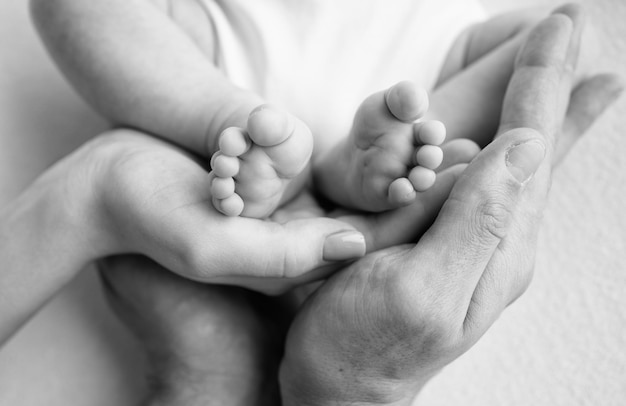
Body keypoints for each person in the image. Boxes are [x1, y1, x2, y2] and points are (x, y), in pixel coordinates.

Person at [1, 4, 621, 406]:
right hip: (216, 66)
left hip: (420, 62)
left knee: (565, 35)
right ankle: (234, 123)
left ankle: (366, 169)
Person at [30, 0, 564, 221]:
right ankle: (229, 121)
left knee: (544, 39)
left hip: (420, 49)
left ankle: (381, 153)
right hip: (228, 49)